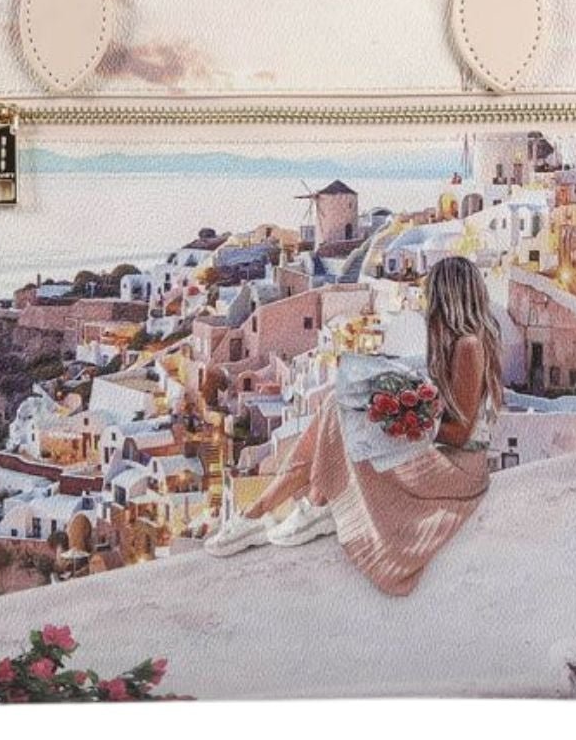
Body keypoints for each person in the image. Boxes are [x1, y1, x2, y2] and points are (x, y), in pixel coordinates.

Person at [205, 255, 503, 597]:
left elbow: (460, 433)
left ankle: (294, 507)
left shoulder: (468, 346)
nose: (426, 302)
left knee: (344, 412)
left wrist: (400, 421)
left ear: (447, 295)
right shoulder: (461, 342)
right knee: (337, 403)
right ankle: (269, 510)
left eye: (431, 293)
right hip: (444, 455)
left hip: (458, 469)